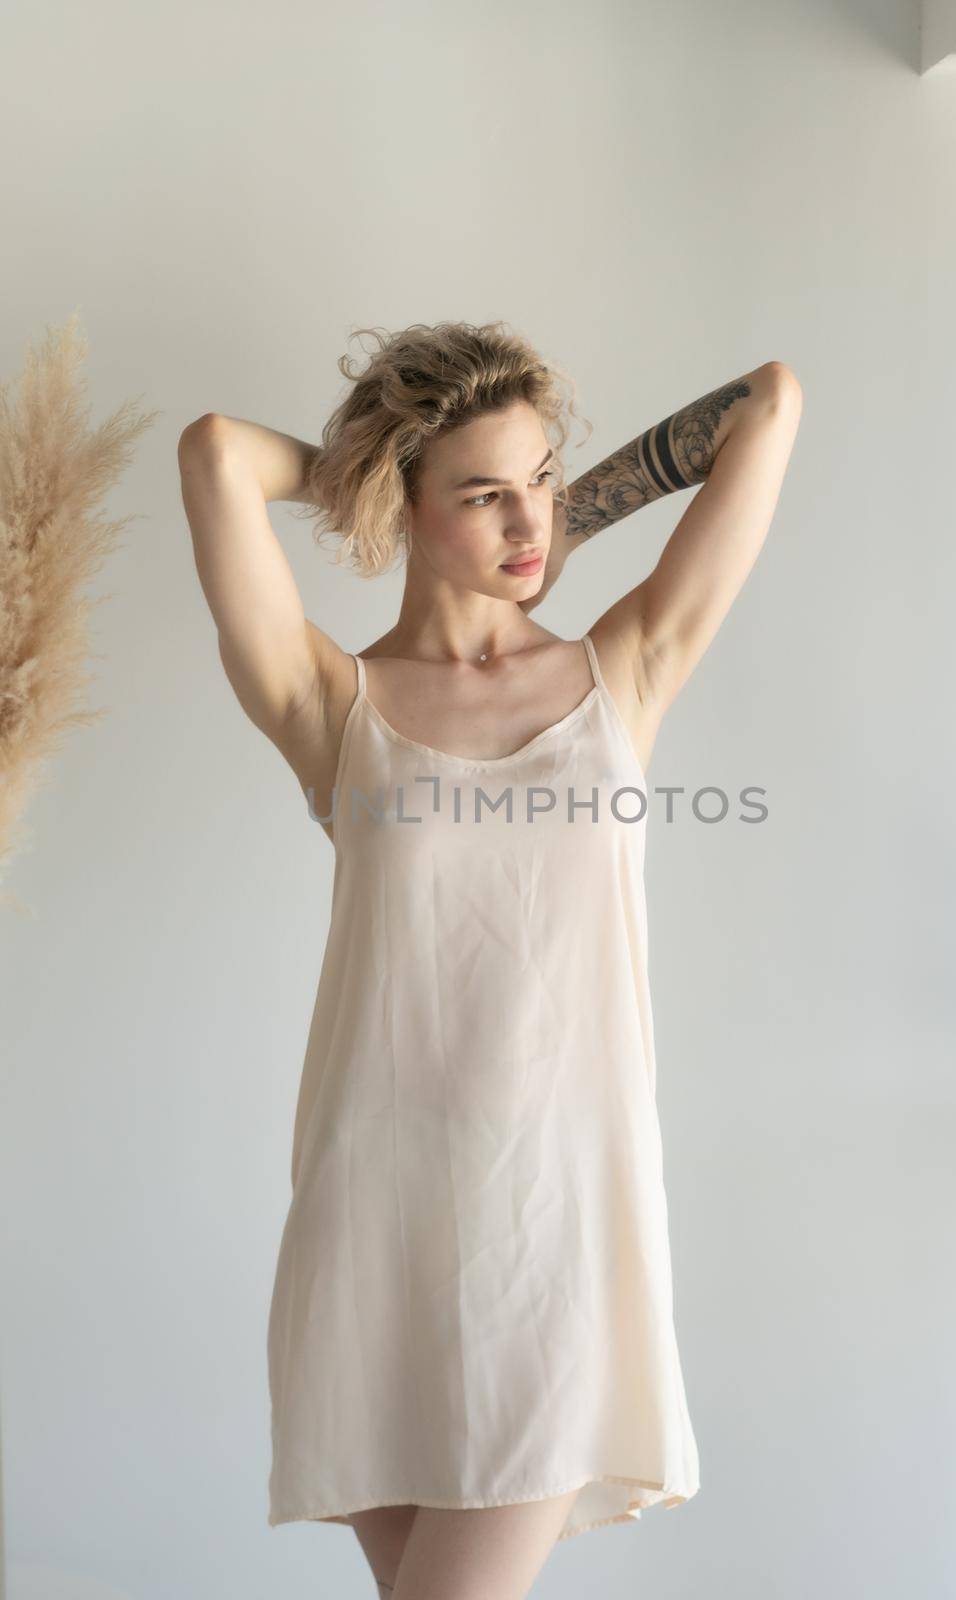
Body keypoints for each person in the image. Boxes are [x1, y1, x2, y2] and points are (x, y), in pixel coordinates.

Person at [177, 320, 802, 1600]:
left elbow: (769, 404)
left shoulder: (620, 670)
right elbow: (215, 454)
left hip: (557, 1222)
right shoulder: (332, 705)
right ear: (408, 502)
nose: (529, 522)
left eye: (543, 481)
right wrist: (373, 480)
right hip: (376, 1216)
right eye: (484, 495)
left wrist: (563, 514)